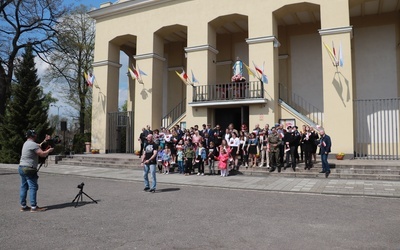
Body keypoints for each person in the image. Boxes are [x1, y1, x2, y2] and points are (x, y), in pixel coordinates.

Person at [19, 130, 53, 212]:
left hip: (21, 167)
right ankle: (34, 207)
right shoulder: (33, 144)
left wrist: (45, 140)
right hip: (29, 168)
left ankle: (23, 206)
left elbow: (39, 145)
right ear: (32, 136)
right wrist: (49, 151)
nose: (36, 136)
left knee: (24, 187)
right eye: (35, 135)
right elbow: (42, 154)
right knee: (33, 187)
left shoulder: (26, 143)